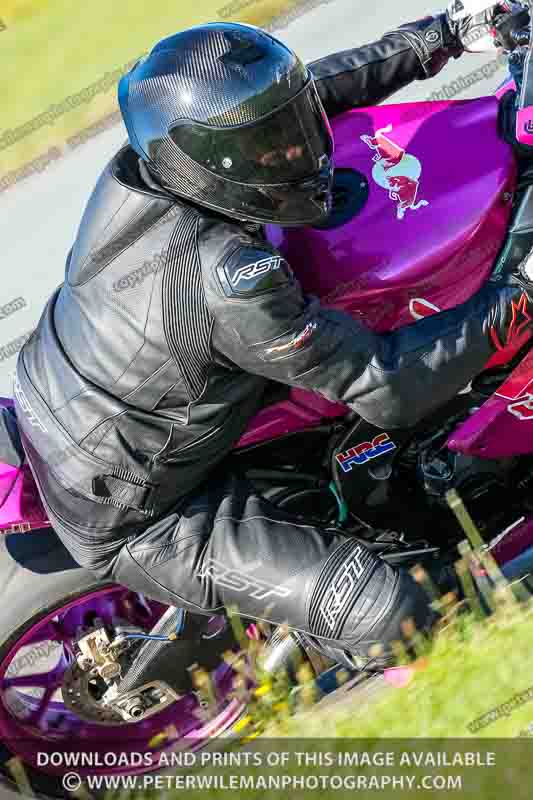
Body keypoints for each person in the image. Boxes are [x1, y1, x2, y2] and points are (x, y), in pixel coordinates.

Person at [13, 4, 533, 669]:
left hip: (90, 388)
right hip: (145, 512)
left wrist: (444, 34)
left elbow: (296, 95)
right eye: (274, 145)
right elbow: (390, 388)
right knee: (402, 618)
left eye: (291, 131)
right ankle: (315, 641)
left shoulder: (150, 166)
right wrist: (519, 292)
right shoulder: (228, 278)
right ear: (216, 163)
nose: (297, 147)